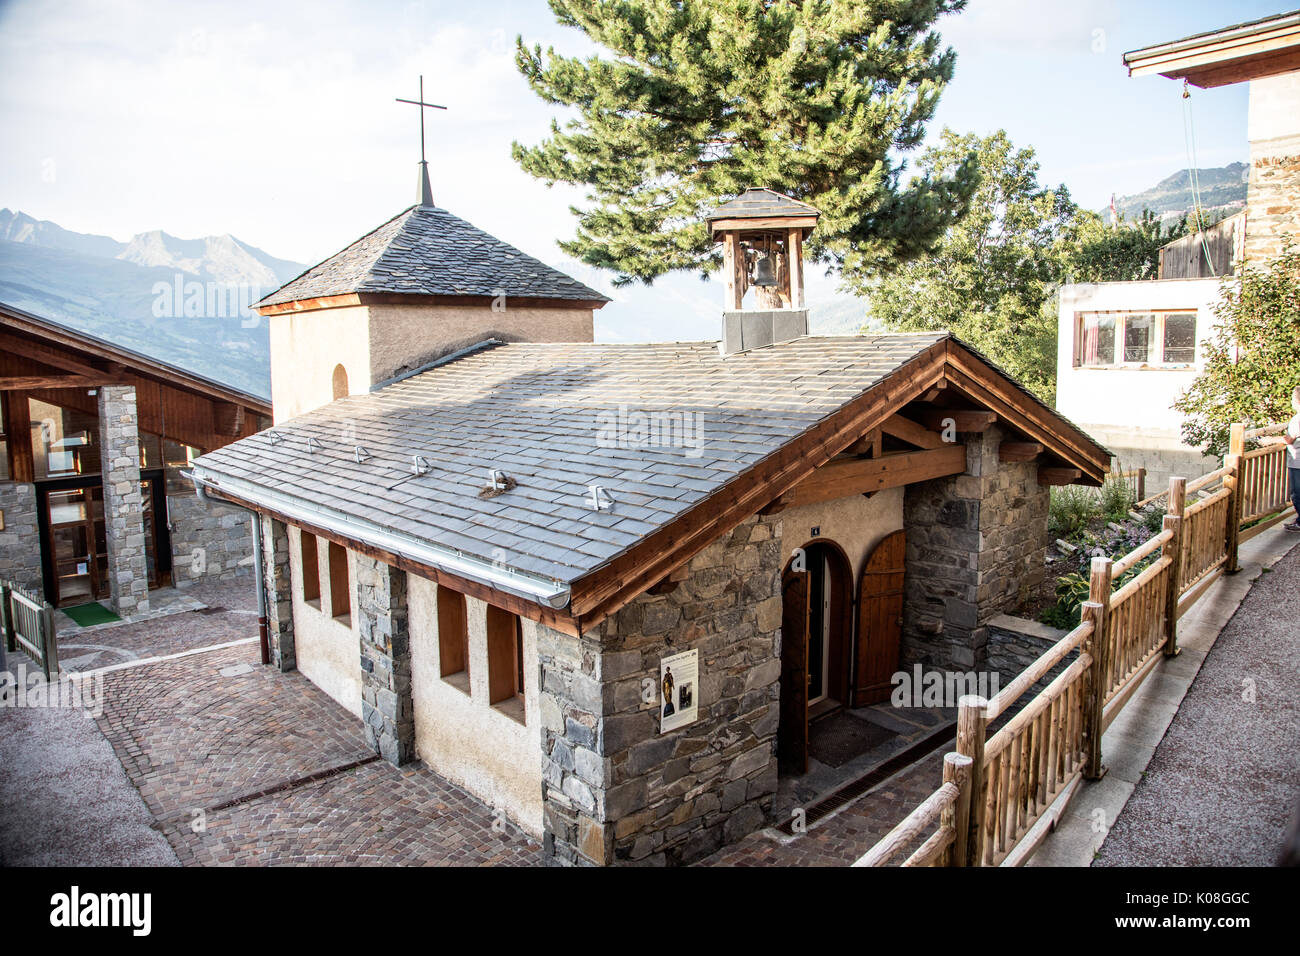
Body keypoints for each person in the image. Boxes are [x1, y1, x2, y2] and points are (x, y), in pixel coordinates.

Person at [1284, 386, 1300, 532]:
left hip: (1297, 461)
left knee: (1297, 493)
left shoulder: (1297, 419)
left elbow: (1290, 439)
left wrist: (1269, 440)